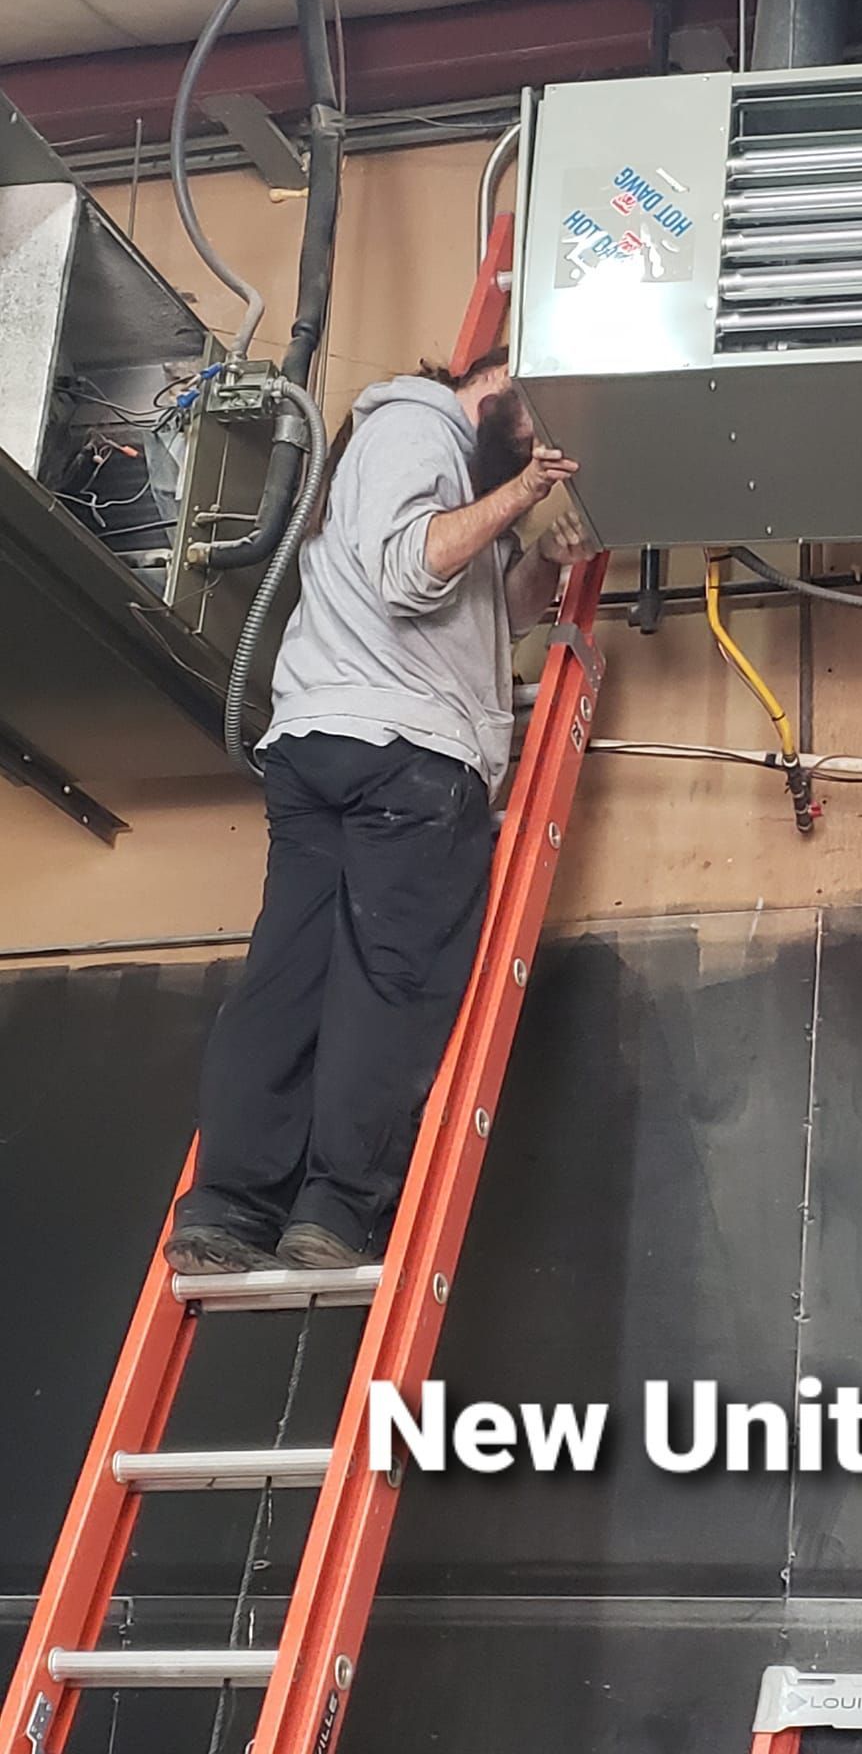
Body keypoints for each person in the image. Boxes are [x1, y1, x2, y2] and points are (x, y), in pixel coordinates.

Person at [165, 349, 593, 1276]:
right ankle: (334, 1206)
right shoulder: (420, 427)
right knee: (390, 986)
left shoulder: (430, 459)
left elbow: (485, 614)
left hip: (330, 742)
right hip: (405, 757)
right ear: (498, 384)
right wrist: (525, 488)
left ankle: (229, 1208)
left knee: (289, 979)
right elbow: (412, 570)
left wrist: (541, 564)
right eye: (537, 424)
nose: (542, 444)